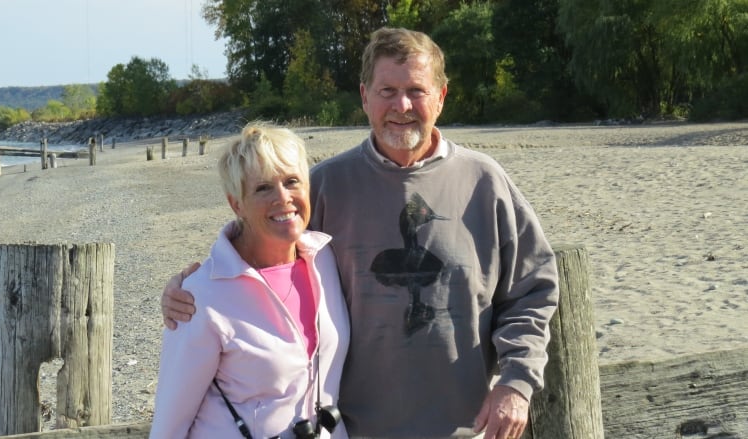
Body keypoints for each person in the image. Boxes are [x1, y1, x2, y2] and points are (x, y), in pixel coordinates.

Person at [162, 27, 559, 439]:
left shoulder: (484, 182)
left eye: (416, 91)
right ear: (364, 96)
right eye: (387, 90)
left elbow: (533, 287)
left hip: (468, 427)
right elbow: (257, 255)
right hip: (356, 430)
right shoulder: (326, 187)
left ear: (441, 97)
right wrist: (189, 289)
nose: (401, 105)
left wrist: (516, 382)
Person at [150, 122, 350, 438]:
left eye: (292, 181)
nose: (283, 198)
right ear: (236, 204)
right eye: (263, 188)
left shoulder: (324, 259)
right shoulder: (199, 297)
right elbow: (169, 425)